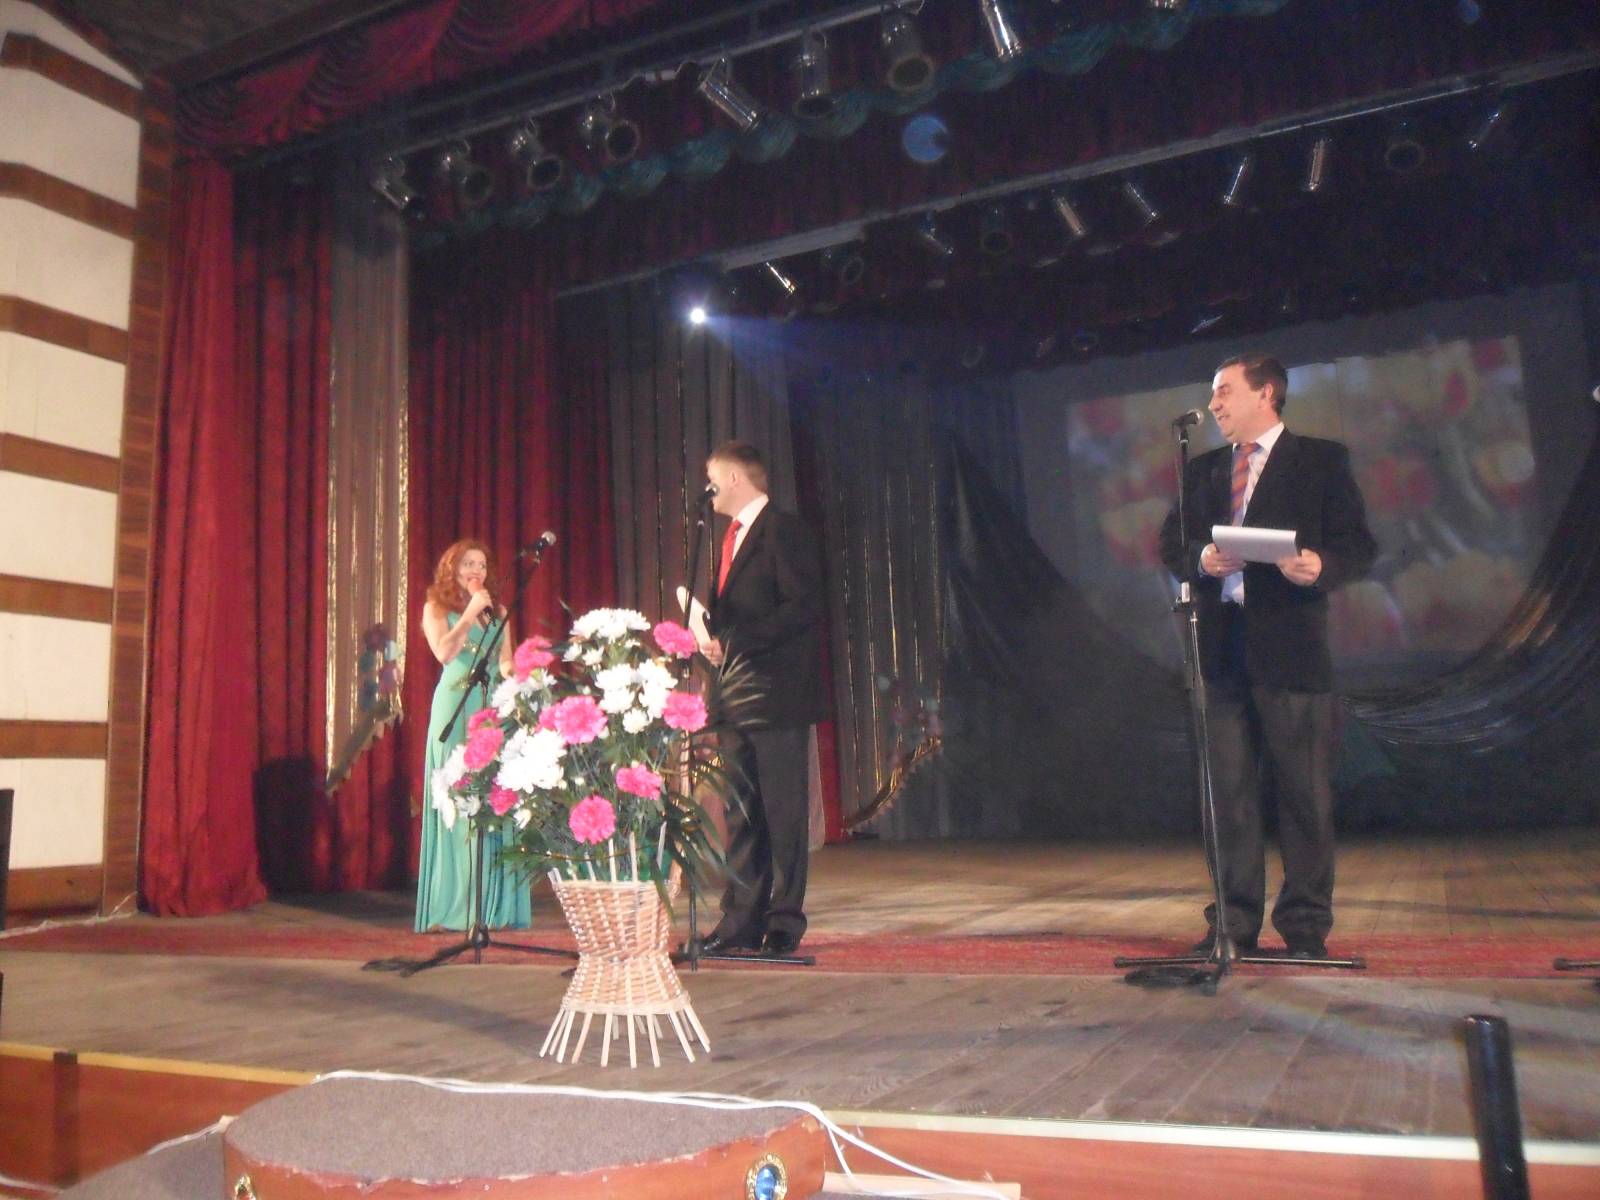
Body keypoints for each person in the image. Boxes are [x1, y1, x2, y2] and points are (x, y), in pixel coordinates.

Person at [1159, 354, 1376, 958]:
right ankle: (1232, 924)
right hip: (1220, 650)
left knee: (1303, 795)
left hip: (1290, 650)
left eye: (1225, 391)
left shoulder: (1320, 461)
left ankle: (1305, 928)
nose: (1215, 404)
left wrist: (1321, 566)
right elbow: (1172, 542)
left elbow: (1358, 546)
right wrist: (1202, 559)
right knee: (1227, 795)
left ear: (1266, 394)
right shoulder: (1203, 470)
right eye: (1214, 393)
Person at [697, 441, 828, 956]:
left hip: (776, 695)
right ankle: (741, 921)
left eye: (711, 477)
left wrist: (738, 639)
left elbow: (803, 606)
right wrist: (713, 638)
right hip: (734, 692)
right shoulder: (728, 537)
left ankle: (784, 920)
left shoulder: (783, 530)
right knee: (740, 812)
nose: (706, 489)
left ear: (734, 477)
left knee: (782, 811)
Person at [415, 539, 532, 933]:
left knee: (493, 800)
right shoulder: (437, 608)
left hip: (490, 711)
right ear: (452, 569)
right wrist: (467, 613)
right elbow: (444, 653)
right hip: (455, 706)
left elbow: (505, 663)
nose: (476, 571)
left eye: (481, 565)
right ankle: (455, 905)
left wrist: (525, 674)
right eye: (468, 564)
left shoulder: (499, 614)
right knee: (458, 799)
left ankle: (493, 906)